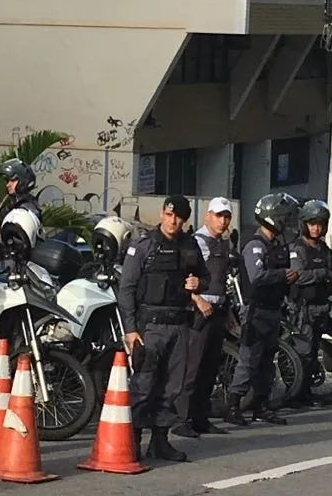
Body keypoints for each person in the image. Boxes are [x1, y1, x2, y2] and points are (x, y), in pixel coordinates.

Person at [117, 195, 208, 462]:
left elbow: (206, 276)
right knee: (143, 385)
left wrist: (197, 282)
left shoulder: (190, 245)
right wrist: (131, 329)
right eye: (169, 215)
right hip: (151, 326)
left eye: (179, 217)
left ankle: (160, 441)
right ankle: (131, 440)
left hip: (179, 324)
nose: (173, 221)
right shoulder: (144, 245)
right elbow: (127, 289)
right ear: (162, 214)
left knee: (172, 387)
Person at [226, 192, 300, 426]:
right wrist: (282, 275)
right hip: (256, 312)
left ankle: (261, 404)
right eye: (285, 218)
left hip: (273, 309)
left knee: (268, 361)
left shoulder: (276, 245)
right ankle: (233, 405)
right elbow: (256, 276)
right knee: (249, 360)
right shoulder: (255, 246)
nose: (288, 223)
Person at [172, 197, 234, 439]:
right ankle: (181, 419)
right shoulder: (195, 242)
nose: (222, 221)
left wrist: (227, 312)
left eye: (226, 216)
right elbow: (183, 277)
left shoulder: (223, 244)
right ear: (207, 216)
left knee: (210, 368)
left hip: (217, 311)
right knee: (192, 367)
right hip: (198, 312)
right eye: (218, 215)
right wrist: (198, 300)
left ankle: (200, 418)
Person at [285, 199, 332, 408]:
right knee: (303, 351)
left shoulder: (324, 249)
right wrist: (322, 273)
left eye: (320, 224)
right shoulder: (297, 248)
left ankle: (306, 392)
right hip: (302, 309)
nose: (316, 228)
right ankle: (296, 395)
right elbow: (297, 275)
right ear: (304, 224)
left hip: (321, 308)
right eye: (312, 223)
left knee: (312, 353)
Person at [0, 158, 41, 226]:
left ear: (23, 181)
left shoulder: (27, 207)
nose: (8, 185)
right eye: (7, 180)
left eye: (13, 180)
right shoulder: (12, 201)